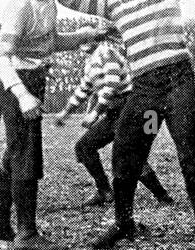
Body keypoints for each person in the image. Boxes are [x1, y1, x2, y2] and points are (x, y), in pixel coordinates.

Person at [57, 0, 195, 250]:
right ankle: (124, 223)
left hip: (177, 83)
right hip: (147, 92)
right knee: (128, 149)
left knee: (190, 152)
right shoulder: (114, 4)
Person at [0, 0, 102, 250]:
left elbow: (48, 43)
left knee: (16, 152)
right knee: (25, 156)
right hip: (18, 84)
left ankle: (0, 221)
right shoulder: (21, 5)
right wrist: (23, 95)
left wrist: (83, 36)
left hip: (33, 80)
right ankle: (26, 234)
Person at [52, 28, 173, 208]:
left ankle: (163, 196)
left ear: (96, 39)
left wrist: (95, 112)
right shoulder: (90, 62)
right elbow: (83, 89)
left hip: (129, 107)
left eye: (87, 38)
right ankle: (104, 191)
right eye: (80, 39)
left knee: (130, 155)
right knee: (84, 147)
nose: (82, 43)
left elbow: (112, 84)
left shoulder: (107, 52)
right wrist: (65, 112)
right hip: (114, 112)